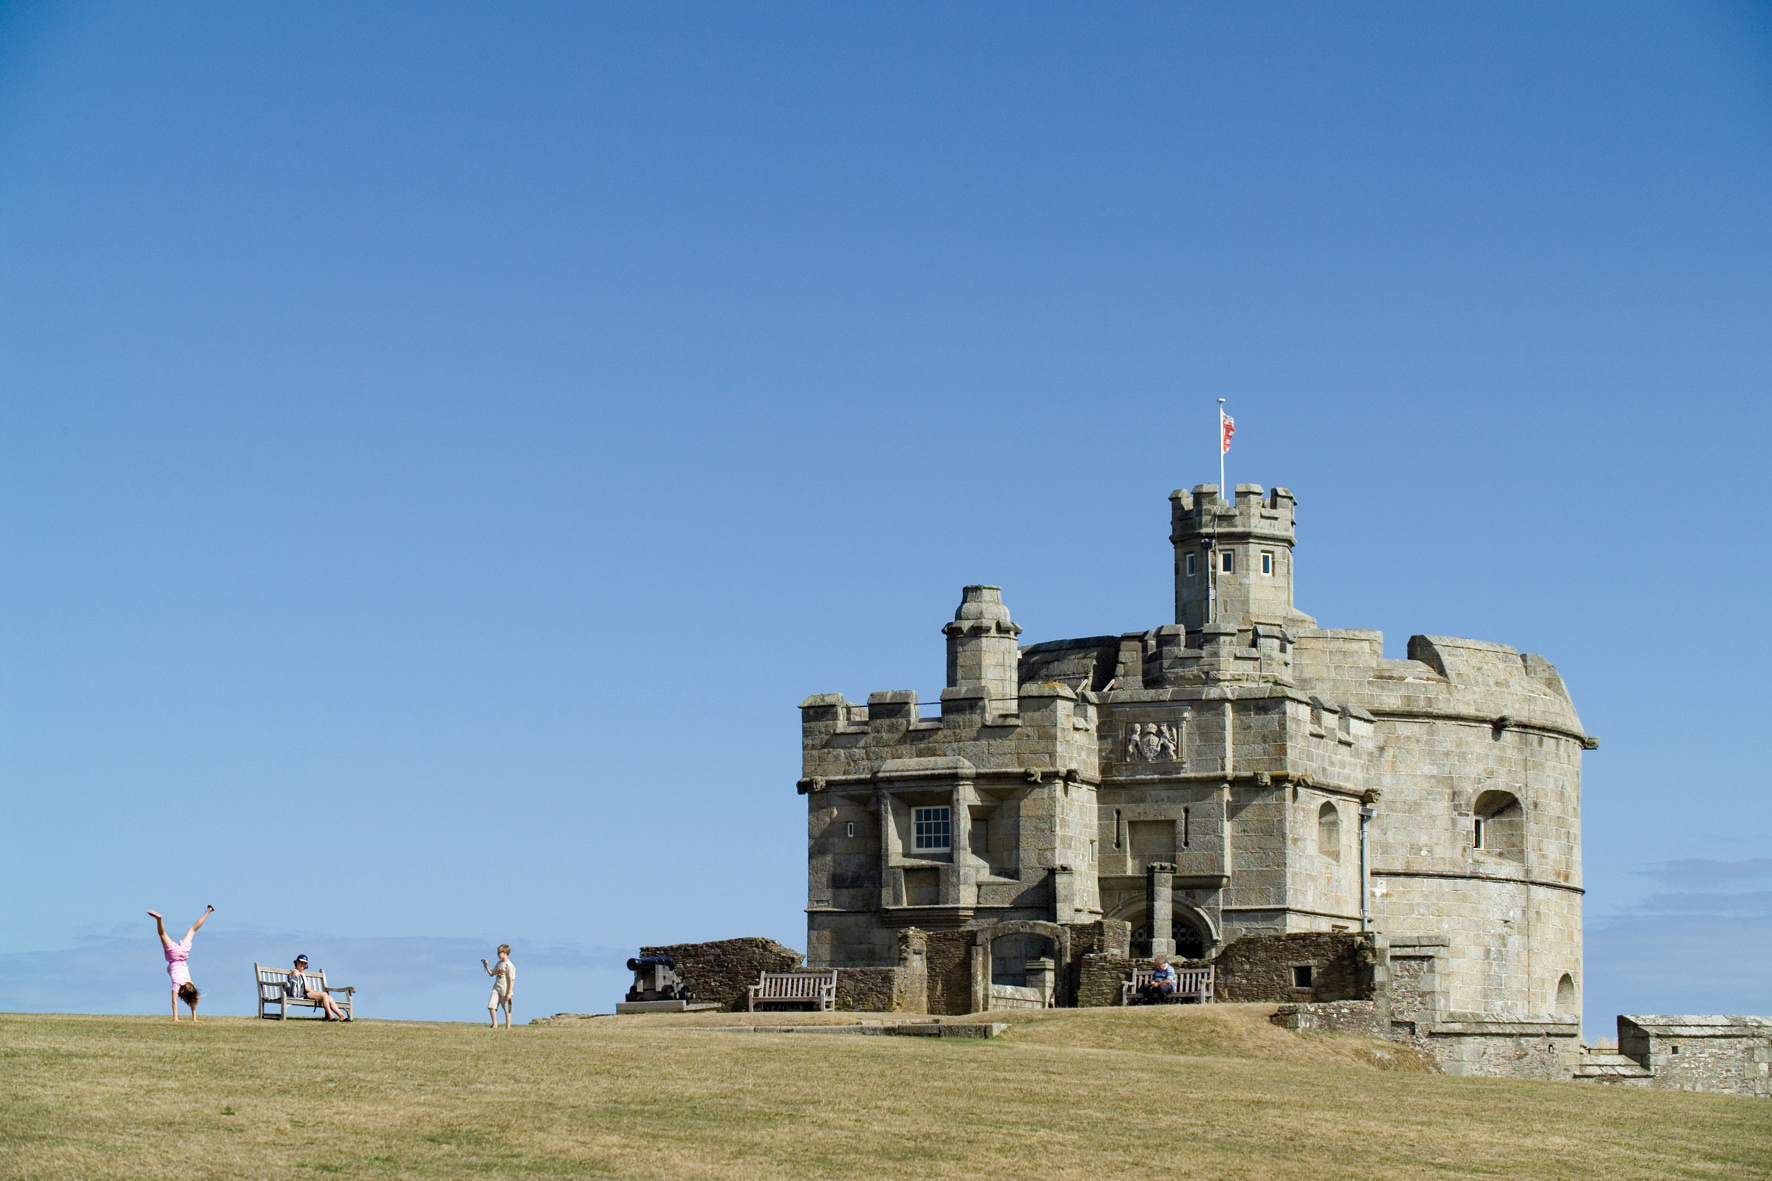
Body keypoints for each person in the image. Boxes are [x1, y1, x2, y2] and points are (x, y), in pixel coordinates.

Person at [147, 906, 213, 1022]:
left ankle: (208, 911)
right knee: (162, 934)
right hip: (173, 956)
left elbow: (192, 998)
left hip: (183, 954)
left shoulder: (190, 982)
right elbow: (175, 1001)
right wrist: (176, 1018)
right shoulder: (177, 984)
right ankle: (159, 919)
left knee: (192, 929)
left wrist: (194, 1018)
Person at [286, 954, 350, 1021]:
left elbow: (307, 987)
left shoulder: (303, 974)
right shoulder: (295, 972)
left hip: (307, 993)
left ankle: (342, 1016)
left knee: (329, 997)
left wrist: (315, 992)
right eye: (301, 962)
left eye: (304, 963)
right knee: (324, 994)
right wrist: (316, 992)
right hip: (301, 995)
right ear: (297, 962)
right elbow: (305, 988)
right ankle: (330, 1016)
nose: (302, 964)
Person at [483, 944, 516, 1028]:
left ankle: (508, 1027)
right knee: (491, 1006)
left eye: (499, 953)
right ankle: (494, 1024)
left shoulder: (509, 965)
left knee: (507, 1009)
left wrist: (509, 992)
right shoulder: (499, 963)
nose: (498, 955)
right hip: (496, 988)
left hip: (505, 989)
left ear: (504, 953)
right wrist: (486, 966)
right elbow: (492, 973)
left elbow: (511, 979)